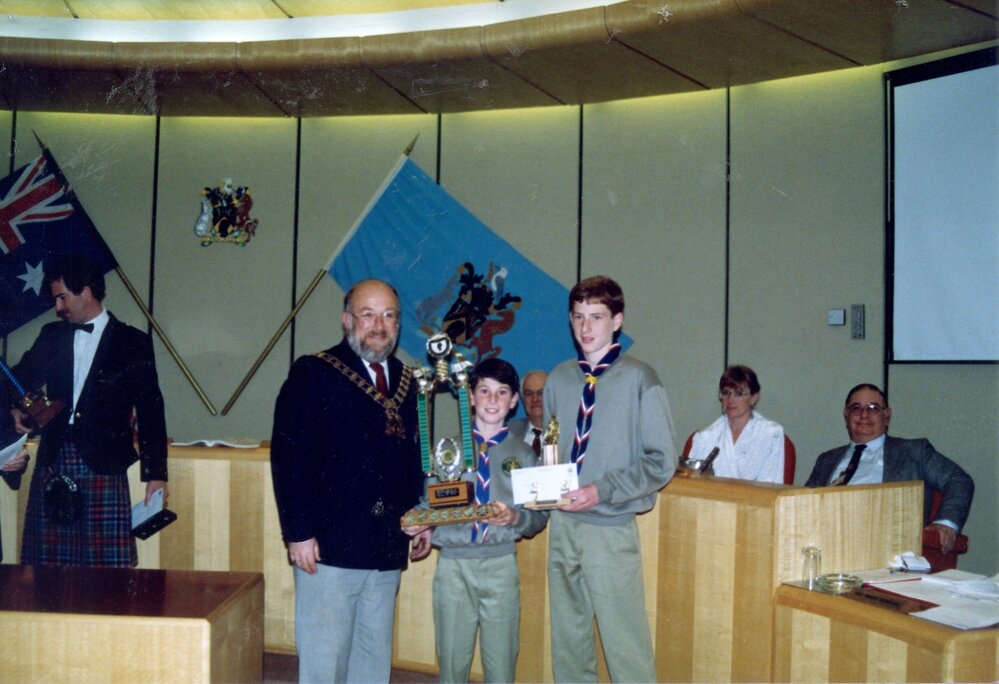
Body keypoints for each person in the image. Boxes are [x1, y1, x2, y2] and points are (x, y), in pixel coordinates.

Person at [270, 278, 426, 684]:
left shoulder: (410, 383)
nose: (379, 325)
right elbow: (289, 458)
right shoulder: (314, 372)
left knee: (372, 665)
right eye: (368, 314)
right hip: (329, 549)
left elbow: (412, 459)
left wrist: (421, 516)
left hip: (387, 545)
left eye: (389, 315)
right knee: (325, 665)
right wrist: (298, 532)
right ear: (346, 320)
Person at [542, 275, 678, 683]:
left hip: (610, 529)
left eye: (597, 317)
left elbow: (661, 461)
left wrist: (601, 490)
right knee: (569, 641)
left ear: (617, 320)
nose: (586, 328)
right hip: (563, 526)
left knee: (625, 644)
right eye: (579, 317)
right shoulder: (559, 379)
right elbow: (550, 449)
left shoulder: (640, 378)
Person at [7, 254, 167, 567]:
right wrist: (15, 408)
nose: (58, 308)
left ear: (87, 291)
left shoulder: (132, 342)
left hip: (103, 463)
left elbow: (151, 408)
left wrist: (157, 474)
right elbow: (18, 378)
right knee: (47, 571)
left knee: (107, 576)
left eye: (62, 297)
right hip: (54, 460)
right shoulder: (51, 336)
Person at [404, 358, 548, 683]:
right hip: (453, 568)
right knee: (452, 661)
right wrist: (421, 523)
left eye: (501, 393)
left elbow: (538, 517)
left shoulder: (525, 455)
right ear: (469, 396)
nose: (492, 400)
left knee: (501, 662)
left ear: (514, 401)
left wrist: (514, 516)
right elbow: (431, 502)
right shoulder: (446, 451)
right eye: (484, 391)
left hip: (500, 567)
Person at [805, 383, 974, 553]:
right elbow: (804, 504)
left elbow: (958, 480)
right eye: (856, 408)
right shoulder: (826, 460)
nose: (864, 414)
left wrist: (945, 524)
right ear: (846, 415)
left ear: (886, 415)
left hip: (887, 549)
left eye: (873, 408)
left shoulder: (914, 452)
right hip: (825, 545)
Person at [687, 365, 785, 483]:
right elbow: (693, 485)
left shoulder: (770, 434)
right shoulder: (704, 437)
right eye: (726, 393)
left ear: (754, 398)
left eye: (738, 394)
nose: (730, 400)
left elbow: (771, 486)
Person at [507, 369, 547, 456]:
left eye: (541, 393)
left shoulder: (567, 433)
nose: (535, 399)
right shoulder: (508, 432)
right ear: (522, 398)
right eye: (529, 393)